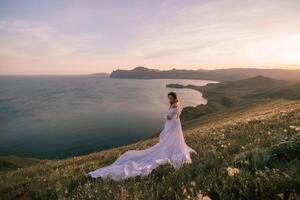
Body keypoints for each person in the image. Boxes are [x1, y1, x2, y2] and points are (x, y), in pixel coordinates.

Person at [88, 92, 196, 180]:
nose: (170, 100)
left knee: (171, 140)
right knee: (171, 140)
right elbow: (174, 116)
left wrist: (165, 115)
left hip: (173, 125)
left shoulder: (175, 105)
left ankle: (170, 150)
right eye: (169, 98)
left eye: (171, 98)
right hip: (174, 125)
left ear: (174, 98)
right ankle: (170, 148)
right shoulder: (176, 104)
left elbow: (169, 117)